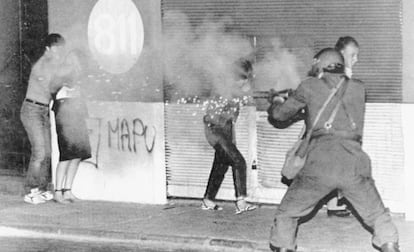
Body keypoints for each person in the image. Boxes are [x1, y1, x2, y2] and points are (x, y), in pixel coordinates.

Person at [267, 48, 399, 252]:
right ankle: (390, 245)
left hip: (320, 163)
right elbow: (335, 105)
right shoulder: (359, 87)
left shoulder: (309, 86)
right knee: (378, 216)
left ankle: (284, 247)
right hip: (354, 164)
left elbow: (279, 115)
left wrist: (277, 100)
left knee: (287, 214)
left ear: (319, 63)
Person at [21, 33, 78, 204]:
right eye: (56, 48)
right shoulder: (43, 64)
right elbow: (51, 86)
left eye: (61, 48)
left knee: (47, 152)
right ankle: (31, 190)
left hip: (43, 110)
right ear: (47, 49)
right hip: (32, 109)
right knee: (40, 152)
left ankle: (42, 188)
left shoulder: (54, 64)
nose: (60, 51)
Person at [201, 59, 257, 214]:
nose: (244, 82)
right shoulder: (225, 89)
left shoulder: (231, 89)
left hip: (222, 131)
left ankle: (208, 200)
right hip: (216, 131)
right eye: (243, 78)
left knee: (221, 164)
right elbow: (216, 116)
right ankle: (241, 202)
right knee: (239, 162)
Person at [326, 36, 360, 217]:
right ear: (340, 55)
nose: (356, 59)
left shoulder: (345, 74)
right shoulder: (335, 74)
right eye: (352, 55)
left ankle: (333, 204)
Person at [51, 50, 91, 203]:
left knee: (77, 154)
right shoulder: (59, 75)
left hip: (77, 114)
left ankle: (68, 190)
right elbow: (55, 93)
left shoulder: (79, 76)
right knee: (66, 155)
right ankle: (58, 191)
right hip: (65, 115)